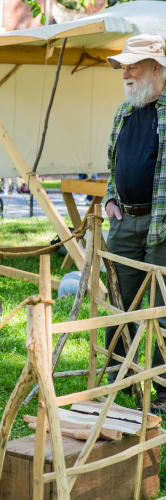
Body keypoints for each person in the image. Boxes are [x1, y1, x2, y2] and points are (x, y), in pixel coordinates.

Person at [103, 34, 166, 412]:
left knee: (162, 308)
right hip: (125, 220)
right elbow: (113, 162)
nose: (124, 71)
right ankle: (118, 373)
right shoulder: (124, 110)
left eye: (133, 64)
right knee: (118, 300)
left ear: (157, 68)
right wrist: (111, 197)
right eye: (123, 65)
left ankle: (162, 388)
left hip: (163, 224)